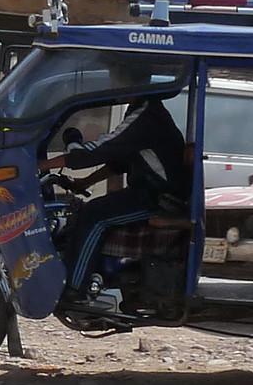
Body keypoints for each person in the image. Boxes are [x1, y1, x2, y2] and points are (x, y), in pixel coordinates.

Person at [42, 94, 191, 313]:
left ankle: (75, 290)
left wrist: (38, 164)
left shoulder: (145, 115)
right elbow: (119, 162)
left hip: (161, 199)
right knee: (86, 211)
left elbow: (97, 151)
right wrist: (84, 182)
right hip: (150, 192)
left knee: (93, 216)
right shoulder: (144, 112)